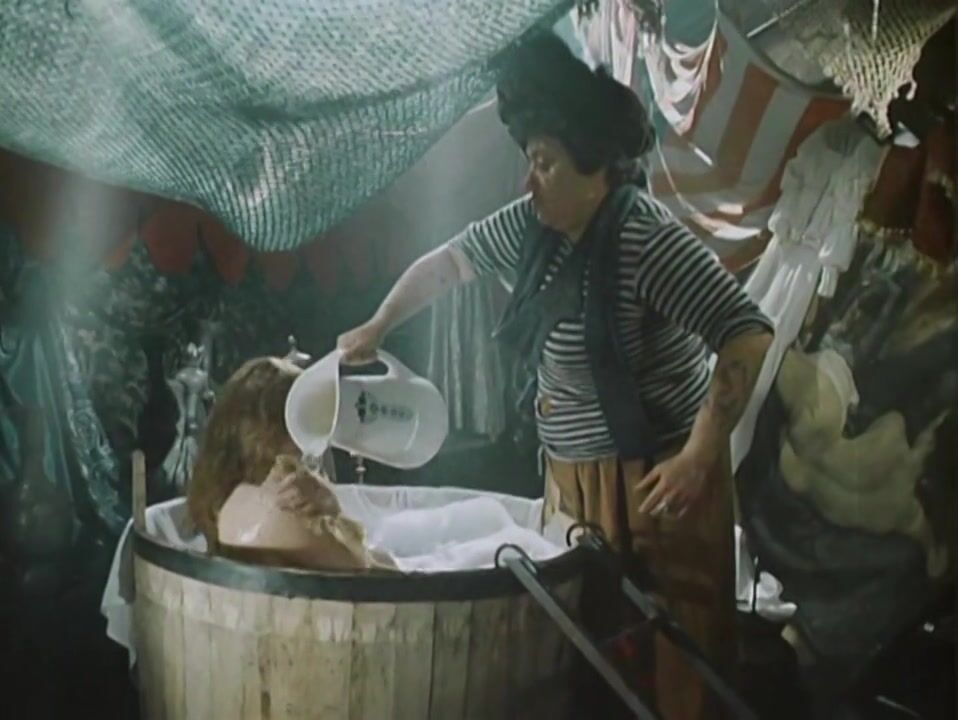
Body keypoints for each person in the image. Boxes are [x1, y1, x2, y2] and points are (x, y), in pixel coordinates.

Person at [337, 31, 773, 720]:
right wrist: (377, 326)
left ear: (594, 167)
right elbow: (446, 264)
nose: (528, 181)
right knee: (589, 644)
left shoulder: (648, 239)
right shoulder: (530, 226)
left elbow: (746, 332)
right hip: (572, 476)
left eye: (544, 163)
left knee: (676, 650)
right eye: (528, 160)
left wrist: (700, 454)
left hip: (661, 478)